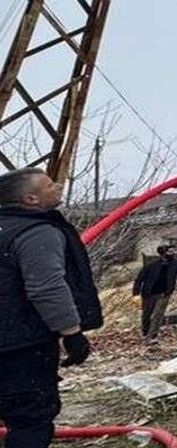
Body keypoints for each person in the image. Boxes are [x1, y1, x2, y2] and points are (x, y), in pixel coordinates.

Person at [0, 167, 101, 448]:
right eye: (49, 185)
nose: (57, 186)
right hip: (20, 345)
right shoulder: (36, 232)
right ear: (30, 199)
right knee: (30, 418)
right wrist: (72, 333)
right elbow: (46, 288)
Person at [131, 244, 177, 340]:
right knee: (146, 315)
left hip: (164, 294)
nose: (173, 253)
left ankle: (152, 336)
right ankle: (145, 332)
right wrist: (136, 294)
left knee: (158, 315)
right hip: (148, 293)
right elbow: (139, 279)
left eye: (174, 251)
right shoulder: (151, 265)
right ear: (163, 253)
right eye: (170, 252)